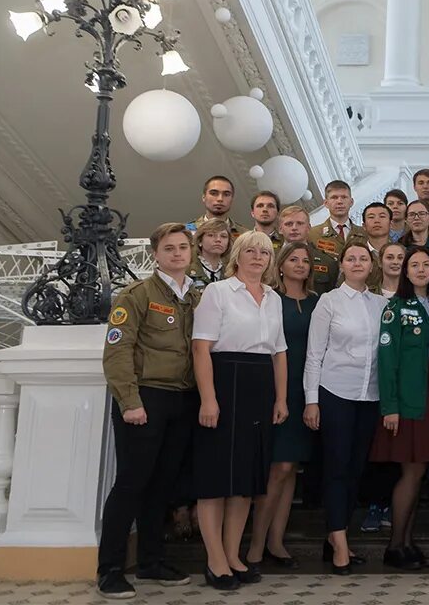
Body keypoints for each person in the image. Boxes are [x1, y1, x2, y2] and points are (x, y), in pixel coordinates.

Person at [97, 223, 199, 599]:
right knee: (131, 484)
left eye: (182, 247)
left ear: (191, 253)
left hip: (181, 399)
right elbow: (118, 350)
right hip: (145, 399)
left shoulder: (195, 296)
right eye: (169, 248)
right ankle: (109, 569)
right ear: (155, 254)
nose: (176, 253)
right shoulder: (136, 294)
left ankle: (152, 561)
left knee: (162, 486)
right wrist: (130, 401)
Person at [191, 231, 289, 591]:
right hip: (225, 382)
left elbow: (279, 352)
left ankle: (233, 555)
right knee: (216, 479)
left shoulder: (274, 298)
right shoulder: (218, 292)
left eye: (264, 252)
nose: (258, 257)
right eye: (250, 251)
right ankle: (215, 560)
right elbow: (201, 349)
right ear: (237, 255)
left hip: (260, 386)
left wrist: (280, 399)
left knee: (245, 482)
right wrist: (208, 399)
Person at [368, 246, 429, 570]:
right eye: (414, 265)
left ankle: (407, 541)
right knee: (411, 469)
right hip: (408, 397)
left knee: (419, 471)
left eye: (426, 265)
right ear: (404, 271)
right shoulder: (396, 307)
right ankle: (395, 547)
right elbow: (387, 358)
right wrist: (390, 406)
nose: (420, 270)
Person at [304, 242, 387, 574]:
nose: (357, 263)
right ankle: (340, 543)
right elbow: (314, 354)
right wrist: (312, 401)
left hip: (370, 396)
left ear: (371, 266)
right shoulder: (329, 301)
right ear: (341, 264)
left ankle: (334, 536)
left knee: (355, 470)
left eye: (363, 259)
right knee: (337, 468)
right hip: (334, 392)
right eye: (350, 258)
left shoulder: (381, 303)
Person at [244, 241, 319, 572]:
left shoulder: (318, 302)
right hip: (277, 390)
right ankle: (255, 547)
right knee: (278, 469)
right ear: (282, 264)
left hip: (309, 391)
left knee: (291, 471)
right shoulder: (271, 298)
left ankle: (277, 541)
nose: (300, 265)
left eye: (306, 260)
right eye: (294, 259)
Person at [279, 205, 338, 294]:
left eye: (300, 223)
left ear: (309, 228)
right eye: (289, 224)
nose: (294, 228)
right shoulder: (270, 259)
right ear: (280, 229)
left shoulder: (327, 262)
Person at [308, 179, 365, 257]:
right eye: (334, 197)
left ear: (351, 202)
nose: (339, 201)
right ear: (326, 203)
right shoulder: (313, 234)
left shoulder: (364, 233)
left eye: (344, 197)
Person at [359, 202, 394, 291]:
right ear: (364, 226)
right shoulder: (355, 256)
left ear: (391, 224)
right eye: (371, 217)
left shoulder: (403, 253)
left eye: (382, 216)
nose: (377, 221)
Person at [188, 218, 230, 290]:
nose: (218, 240)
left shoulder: (232, 272)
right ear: (200, 241)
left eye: (223, 236)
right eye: (211, 235)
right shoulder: (187, 269)